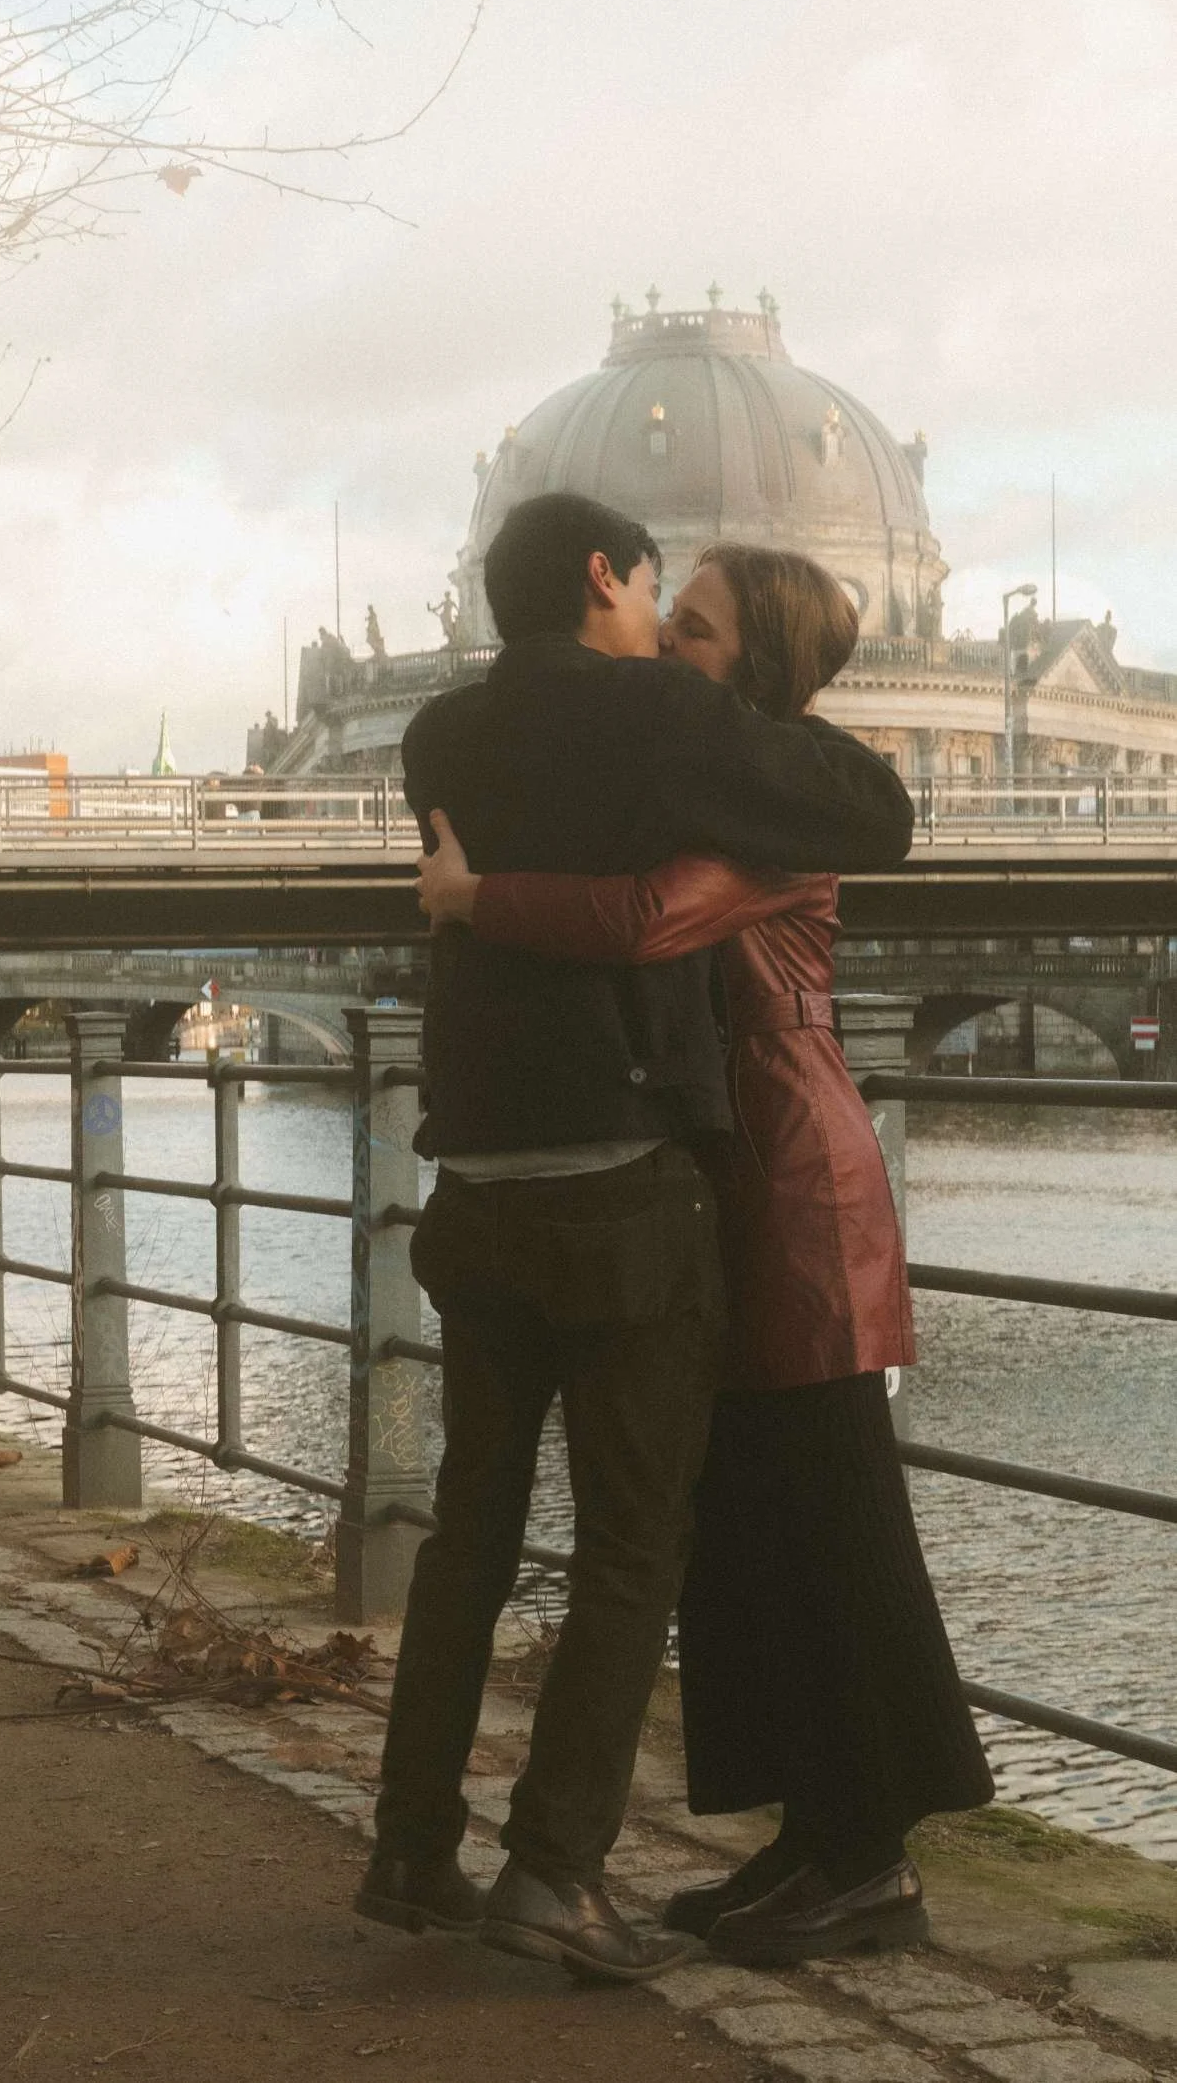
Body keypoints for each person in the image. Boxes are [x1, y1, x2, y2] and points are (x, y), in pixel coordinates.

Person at [353, 491, 916, 1984]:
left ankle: (412, 1843)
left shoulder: (433, 738)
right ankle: (554, 1868)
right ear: (602, 578)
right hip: (624, 1177)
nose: (666, 619)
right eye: (655, 588)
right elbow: (869, 811)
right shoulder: (662, 718)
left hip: (473, 1180)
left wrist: (475, 896)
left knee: (468, 1529)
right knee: (631, 1542)